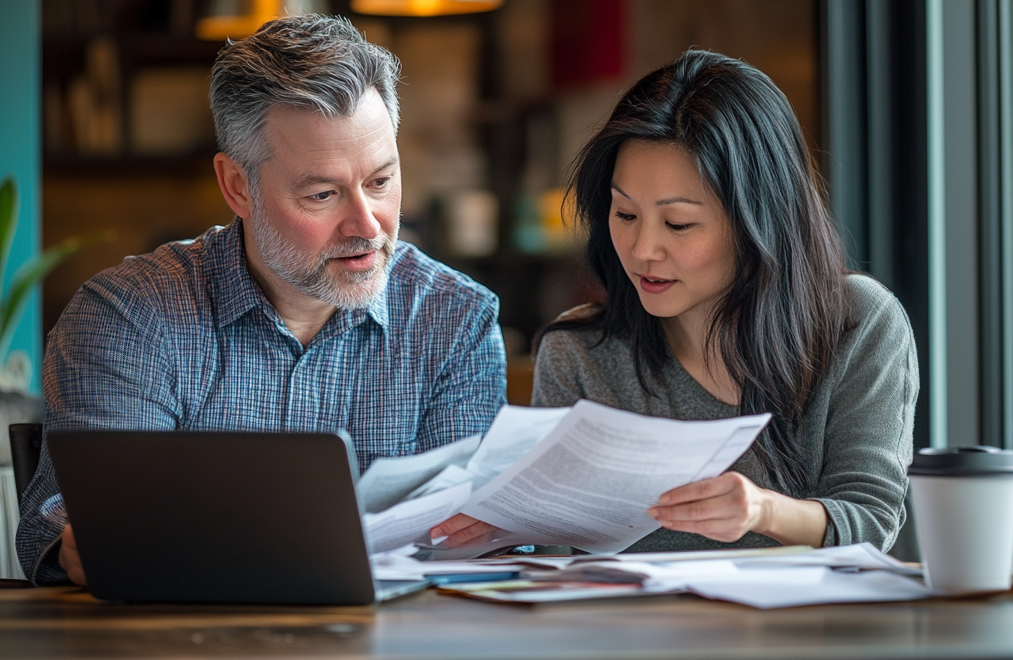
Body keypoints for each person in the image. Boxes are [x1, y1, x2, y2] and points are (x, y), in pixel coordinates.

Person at [17, 14, 507, 586]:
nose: (367, 224)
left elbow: (473, 547)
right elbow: (68, 538)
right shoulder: (129, 319)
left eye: (380, 182)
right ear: (237, 187)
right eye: (322, 194)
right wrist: (89, 543)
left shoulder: (456, 320)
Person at [433, 49, 916, 553]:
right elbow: (561, 566)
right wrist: (518, 534)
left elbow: (872, 520)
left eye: (678, 223)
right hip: (627, 630)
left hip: (796, 630)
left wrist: (762, 510)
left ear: (759, 219)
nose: (643, 251)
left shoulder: (857, 323)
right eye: (625, 215)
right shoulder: (583, 353)